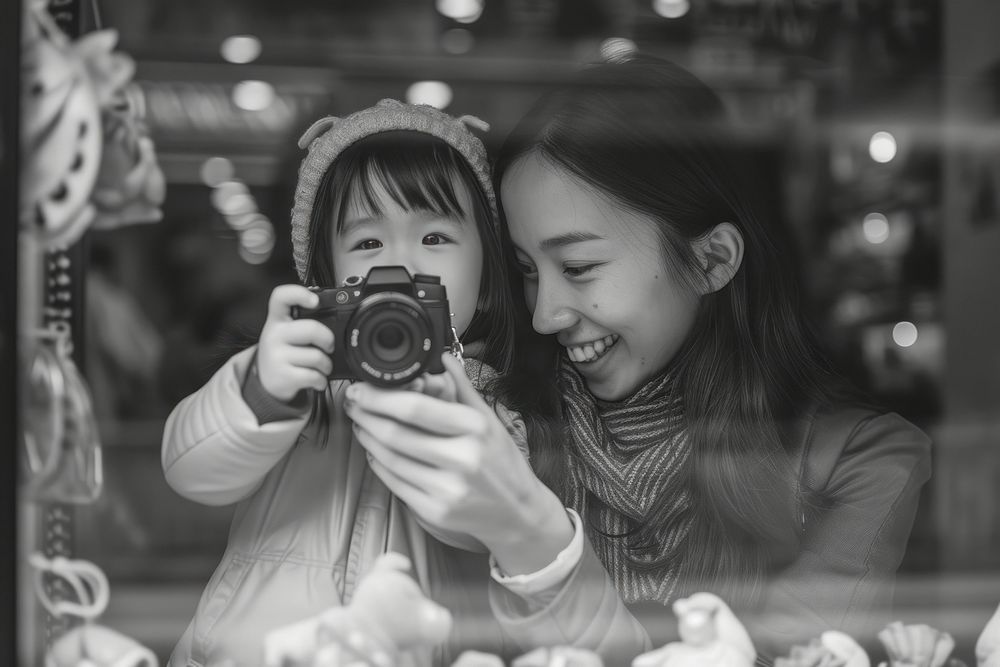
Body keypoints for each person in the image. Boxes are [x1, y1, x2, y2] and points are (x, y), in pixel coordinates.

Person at [344, 56, 933, 664]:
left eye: (578, 268)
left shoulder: (861, 459)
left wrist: (531, 531)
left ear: (711, 261)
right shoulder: (500, 426)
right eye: (526, 271)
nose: (545, 314)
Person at [160, 99, 533, 667]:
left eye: (435, 238)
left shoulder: (489, 408)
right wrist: (262, 389)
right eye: (367, 243)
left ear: (485, 282)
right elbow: (191, 473)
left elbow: (488, 533)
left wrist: (437, 406)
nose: (401, 265)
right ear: (325, 279)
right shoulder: (296, 383)